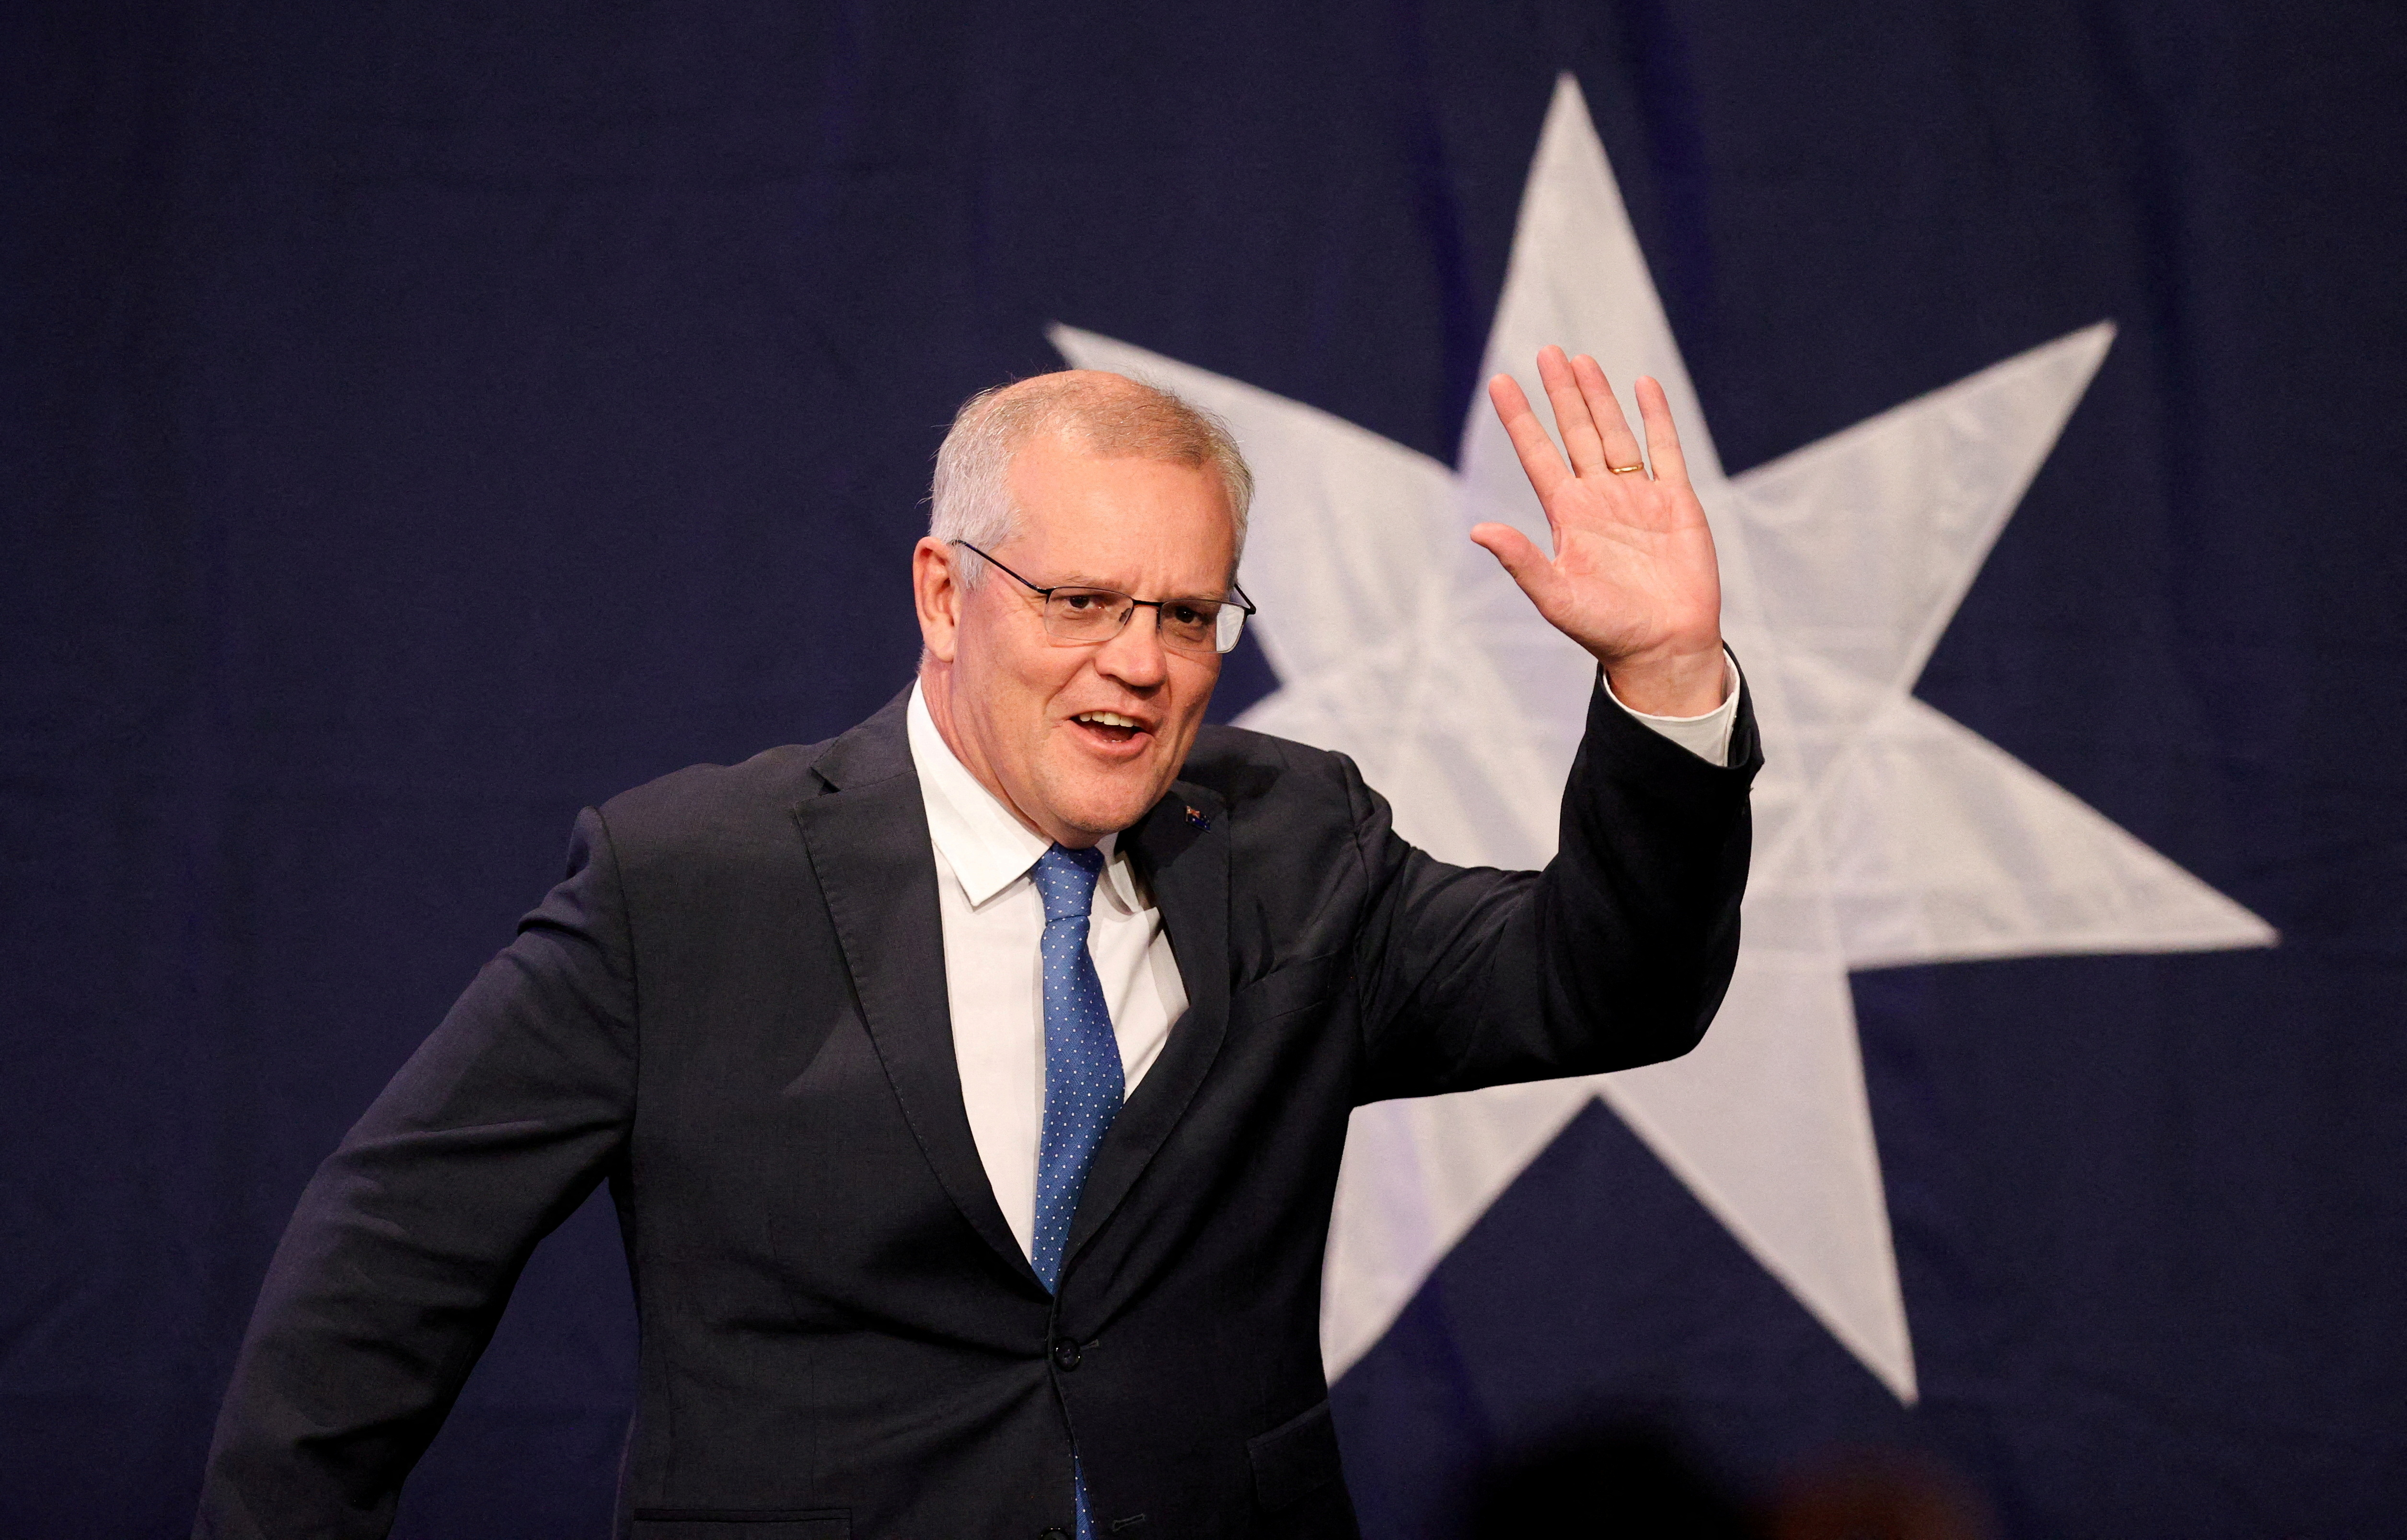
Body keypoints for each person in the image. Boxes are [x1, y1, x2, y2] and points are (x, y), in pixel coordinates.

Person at [196, 349, 1761, 1540]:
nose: (1138, 664)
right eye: (1082, 599)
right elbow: (386, 1264)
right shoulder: (687, 884)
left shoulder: (1300, 848)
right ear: (946, 595)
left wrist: (1671, 672)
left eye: (1187, 613)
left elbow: (1604, 984)